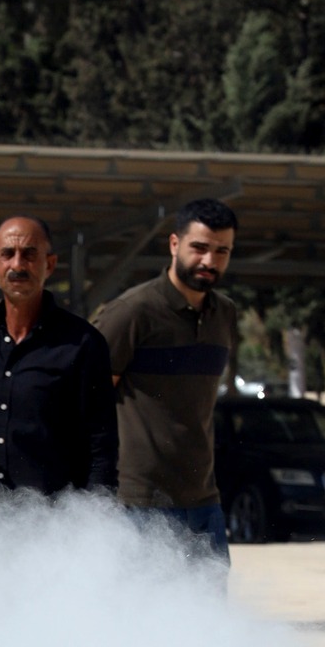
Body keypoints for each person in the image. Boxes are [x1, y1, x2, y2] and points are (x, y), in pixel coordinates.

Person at [92, 197, 239, 565]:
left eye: (222, 251)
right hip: (139, 505)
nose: (209, 261)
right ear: (175, 244)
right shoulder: (132, 312)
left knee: (209, 603)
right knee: (141, 604)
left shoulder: (225, 314)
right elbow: (86, 403)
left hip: (203, 501)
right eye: (199, 248)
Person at [0, 215, 116, 496]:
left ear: (50, 264)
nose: (18, 265)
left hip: (59, 516)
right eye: (7, 254)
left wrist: (98, 515)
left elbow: (101, 444)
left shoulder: (83, 344)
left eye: (29, 255)